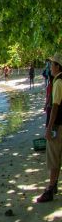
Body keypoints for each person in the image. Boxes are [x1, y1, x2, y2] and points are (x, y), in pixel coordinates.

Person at [38, 55, 62, 203]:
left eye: (52, 64)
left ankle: (50, 188)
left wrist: (49, 127)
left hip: (58, 125)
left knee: (53, 157)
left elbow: (55, 106)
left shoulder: (59, 81)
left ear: (58, 66)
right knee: (58, 157)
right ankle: (53, 186)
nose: (50, 67)